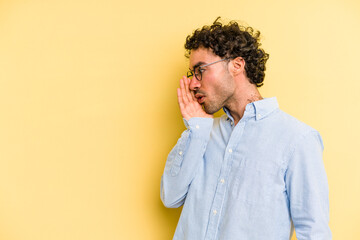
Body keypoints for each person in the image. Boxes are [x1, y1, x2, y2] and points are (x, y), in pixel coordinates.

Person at [160, 17, 331, 240]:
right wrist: (197, 130)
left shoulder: (297, 139)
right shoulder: (201, 133)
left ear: (237, 65)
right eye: (192, 74)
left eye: (200, 70)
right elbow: (170, 197)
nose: (193, 83)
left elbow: (314, 232)